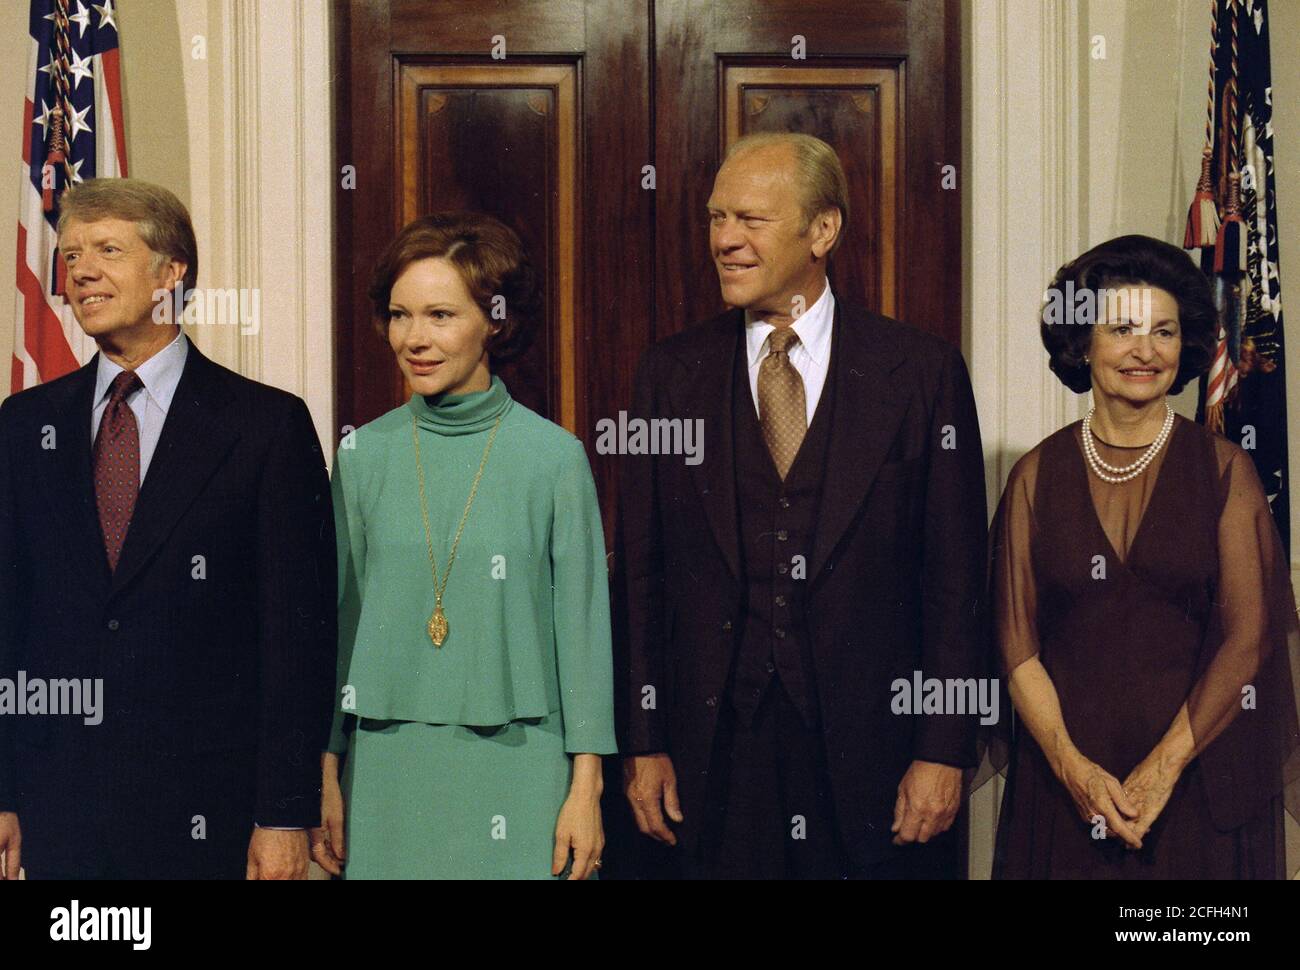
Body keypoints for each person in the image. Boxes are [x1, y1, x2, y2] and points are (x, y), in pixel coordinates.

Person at [612, 132, 989, 878]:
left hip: (876, 763)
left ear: (823, 231)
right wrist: (643, 741)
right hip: (709, 768)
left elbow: (956, 584)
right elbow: (641, 578)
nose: (724, 239)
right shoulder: (668, 375)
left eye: (750, 220)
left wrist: (943, 750)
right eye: (717, 218)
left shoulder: (922, 373)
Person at [0, 178, 337, 879]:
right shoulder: (23, 425)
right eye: (70, 256)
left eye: (108, 250)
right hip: (60, 811)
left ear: (170, 272)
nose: (81, 270)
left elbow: (295, 638)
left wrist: (283, 813)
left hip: (210, 812)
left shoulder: (265, 426)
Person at [314, 211, 616, 880]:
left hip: (525, 767)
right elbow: (335, 626)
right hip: (385, 773)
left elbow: (584, 633)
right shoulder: (363, 455)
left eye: (441, 315)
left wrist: (586, 788)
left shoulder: (554, 459)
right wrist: (326, 771)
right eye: (400, 315)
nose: (414, 339)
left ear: (495, 322)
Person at [991, 234, 1300, 878]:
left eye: (1163, 332)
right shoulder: (1034, 477)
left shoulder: (1224, 471)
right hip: (1068, 788)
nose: (1145, 350)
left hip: (1195, 784)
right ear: (1083, 343)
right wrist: (1071, 769)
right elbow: (1017, 649)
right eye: (1123, 329)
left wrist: (1164, 768)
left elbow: (1250, 638)